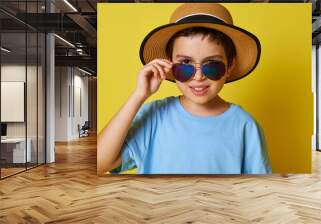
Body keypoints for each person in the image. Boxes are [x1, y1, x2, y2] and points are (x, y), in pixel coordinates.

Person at [97, 3, 272, 174]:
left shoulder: (245, 126)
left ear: (230, 66)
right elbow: (100, 163)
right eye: (186, 64)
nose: (198, 77)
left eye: (211, 64)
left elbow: (259, 189)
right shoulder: (155, 115)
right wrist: (138, 95)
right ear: (170, 64)